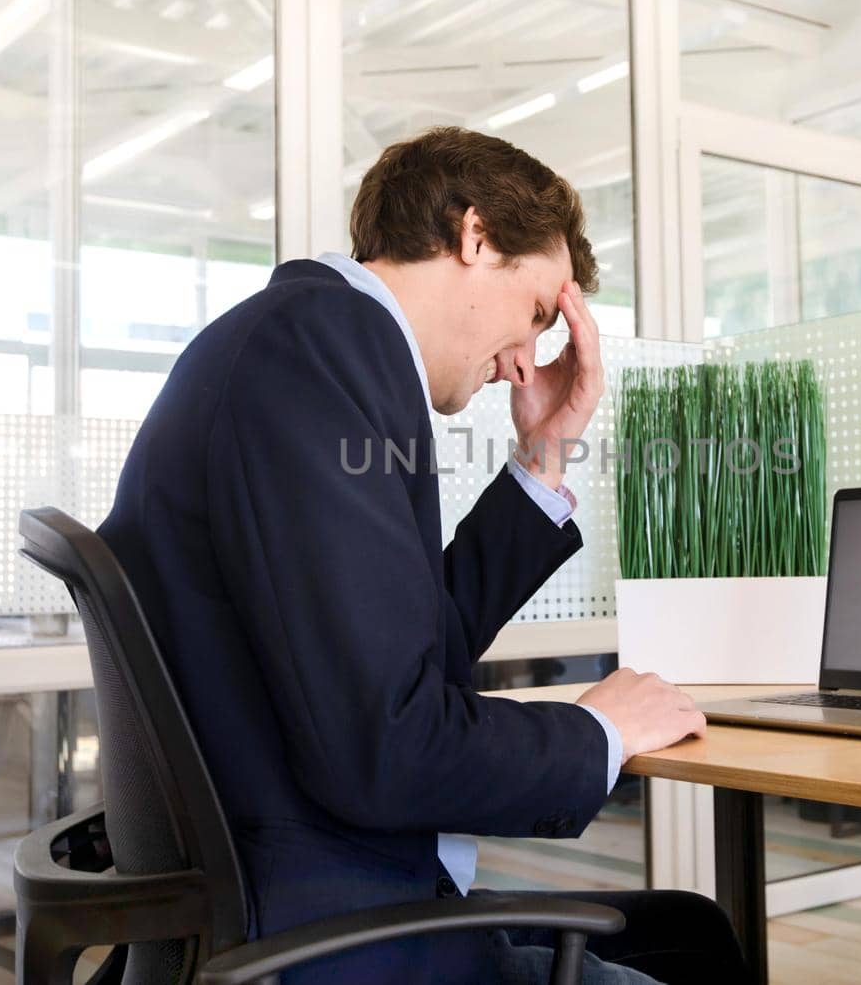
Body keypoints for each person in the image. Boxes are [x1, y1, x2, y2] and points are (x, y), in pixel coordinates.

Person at [99, 127, 748, 983]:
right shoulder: (317, 354)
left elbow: (410, 646)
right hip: (327, 935)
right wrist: (599, 730)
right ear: (476, 238)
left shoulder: (315, 345)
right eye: (539, 314)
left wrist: (544, 455)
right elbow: (386, 743)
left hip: (308, 899)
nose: (526, 365)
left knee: (690, 932)